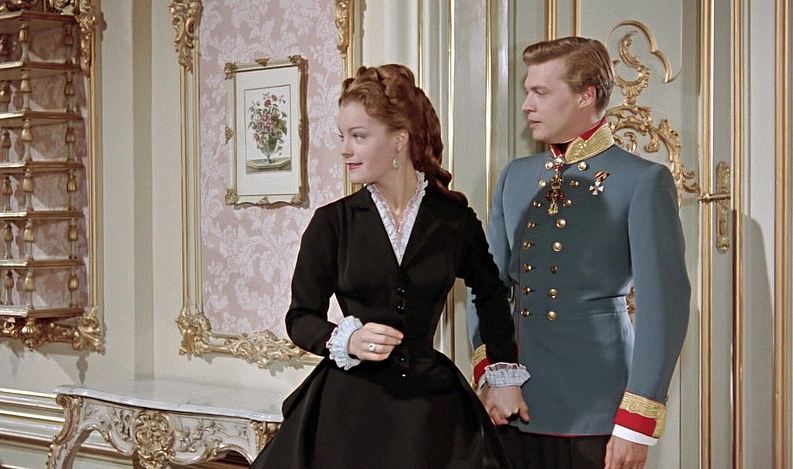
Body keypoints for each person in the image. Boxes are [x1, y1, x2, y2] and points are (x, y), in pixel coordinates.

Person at [251, 63, 529, 469]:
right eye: (342, 137)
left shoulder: (452, 220)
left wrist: (502, 375)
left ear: (399, 140)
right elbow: (300, 317)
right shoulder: (333, 223)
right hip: (346, 413)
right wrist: (347, 339)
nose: (345, 149)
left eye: (359, 136)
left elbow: (490, 293)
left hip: (431, 410)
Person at [468, 36, 691, 469]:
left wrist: (634, 426)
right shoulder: (516, 176)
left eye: (540, 92)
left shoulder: (642, 181)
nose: (527, 105)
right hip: (513, 403)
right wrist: (495, 376)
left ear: (586, 95)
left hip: (597, 409)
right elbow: (487, 288)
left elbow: (663, 308)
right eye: (527, 92)